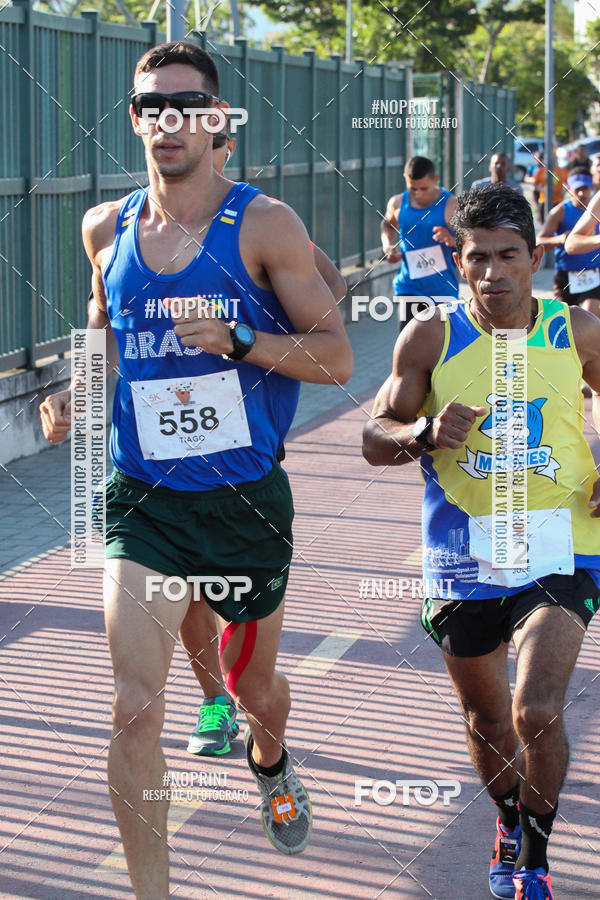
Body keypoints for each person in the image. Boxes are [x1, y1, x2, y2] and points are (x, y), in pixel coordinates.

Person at [40, 40, 353, 896]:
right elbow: (102, 330)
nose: (166, 120)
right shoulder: (105, 227)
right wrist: (78, 391)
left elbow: (336, 358)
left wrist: (242, 338)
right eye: (150, 106)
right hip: (143, 497)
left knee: (256, 692)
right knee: (136, 707)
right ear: (134, 119)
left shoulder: (264, 224)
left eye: (185, 105)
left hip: (244, 502)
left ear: (217, 121)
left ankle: (273, 756)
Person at [363, 183, 600, 900]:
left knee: (535, 709)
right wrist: (423, 434)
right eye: (478, 259)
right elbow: (375, 437)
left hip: (563, 544)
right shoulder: (431, 336)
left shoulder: (575, 330)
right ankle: (506, 815)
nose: (493, 272)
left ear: (534, 258)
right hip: (464, 556)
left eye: (508, 256)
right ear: (458, 262)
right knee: (489, 719)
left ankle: (533, 855)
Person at [179, 123, 348, 758]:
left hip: (244, 451)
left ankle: (252, 715)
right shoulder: (144, 225)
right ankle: (212, 702)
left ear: (225, 152)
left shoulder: (263, 223)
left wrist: (252, 327)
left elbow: (331, 304)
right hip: (159, 462)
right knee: (185, 594)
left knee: (228, 606)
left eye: (218, 144)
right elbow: (104, 325)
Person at [381, 155, 459, 332]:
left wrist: (452, 240)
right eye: (412, 188)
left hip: (443, 290)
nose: (417, 194)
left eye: (424, 188)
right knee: (408, 346)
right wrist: (387, 246)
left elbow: (472, 243)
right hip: (409, 287)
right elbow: (387, 225)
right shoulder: (398, 203)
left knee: (441, 351)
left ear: (436, 180)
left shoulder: (451, 205)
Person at [537, 168, 600, 317]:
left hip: (592, 273)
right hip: (566, 274)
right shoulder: (560, 211)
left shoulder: (594, 206)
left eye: (585, 189)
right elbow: (538, 242)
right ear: (569, 188)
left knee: (589, 314)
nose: (581, 193)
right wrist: (559, 239)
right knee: (562, 320)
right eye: (577, 189)